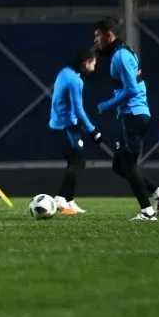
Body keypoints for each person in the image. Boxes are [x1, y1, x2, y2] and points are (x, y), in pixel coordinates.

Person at [94, 17, 159, 220]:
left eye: (98, 35)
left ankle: (147, 212)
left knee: (128, 164)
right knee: (119, 165)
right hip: (134, 114)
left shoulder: (120, 56)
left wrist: (107, 105)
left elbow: (131, 89)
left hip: (132, 115)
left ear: (108, 35)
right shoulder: (125, 52)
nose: (96, 40)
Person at [49, 48, 102, 214]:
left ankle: (69, 200)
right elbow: (79, 109)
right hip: (66, 127)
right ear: (85, 63)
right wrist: (93, 130)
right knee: (78, 161)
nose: (94, 68)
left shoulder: (64, 72)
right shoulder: (75, 80)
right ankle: (60, 198)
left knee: (74, 161)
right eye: (93, 64)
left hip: (60, 124)